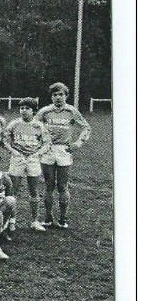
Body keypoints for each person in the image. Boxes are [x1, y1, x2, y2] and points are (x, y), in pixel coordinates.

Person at [35, 81, 92, 228]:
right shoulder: (44, 111)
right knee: (48, 185)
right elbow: (33, 128)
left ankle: (63, 219)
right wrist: (39, 143)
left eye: (61, 94)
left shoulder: (72, 111)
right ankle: (48, 218)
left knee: (62, 186)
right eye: (55, 95)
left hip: (64, 151)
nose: (58, 97)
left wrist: (77, 143)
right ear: (51, 97)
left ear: (66, 96)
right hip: (48, 151)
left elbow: (86, 127)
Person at [4, 97, 52, 232]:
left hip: (33, 159)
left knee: (34, 190)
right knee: (13, 192)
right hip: (17, 159)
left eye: (27, 109)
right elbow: (5, 140)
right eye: (22, 108)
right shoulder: (13, 124)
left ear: (33, 111)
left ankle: (35, 221)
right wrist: (13, 151)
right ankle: (11, 221)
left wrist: (38, 154)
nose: (24, 111)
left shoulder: (39, 126)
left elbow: (47, 142)